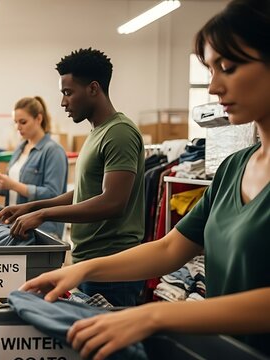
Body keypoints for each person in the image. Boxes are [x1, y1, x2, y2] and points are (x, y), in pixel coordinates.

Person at [20, 0, 270, 358]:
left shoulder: (120, 132)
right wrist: (79, 270)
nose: (213, 87)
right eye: (210, 70)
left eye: (227, 67)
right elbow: (170, 248)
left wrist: (156, 315)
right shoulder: (234, 169)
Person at [0, 48, 145, 306]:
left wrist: (43, 215)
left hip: (112, 268)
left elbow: (113, 202)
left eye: (68, 92)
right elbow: (86, 193)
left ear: (93, 88)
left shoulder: (119, 133)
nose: (63, 102)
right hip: (90, 264)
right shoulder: (98, 133)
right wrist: (32, 206)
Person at [0, 96, 68, 237]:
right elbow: (11, 192)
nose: (18, 127)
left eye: (23, 122)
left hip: (41, 231)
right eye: (15, 122)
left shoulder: (53, 151)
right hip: (13, 227)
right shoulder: (20, 148)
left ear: (38, 119)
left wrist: (13, 185)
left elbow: (53, 195)